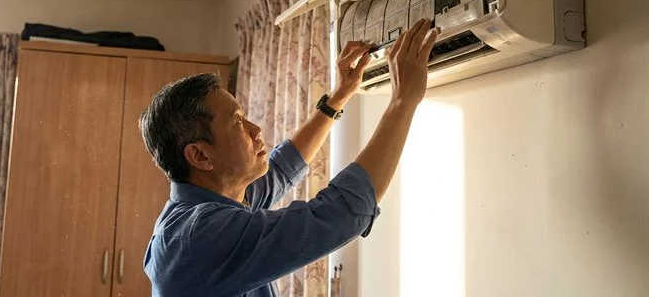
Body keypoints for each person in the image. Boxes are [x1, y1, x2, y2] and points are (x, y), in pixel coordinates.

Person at [139, 18, 440, 296]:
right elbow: (340, 215)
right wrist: (403, 101)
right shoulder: (200, 236)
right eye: (237, 122)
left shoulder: (211, 201)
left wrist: (339, 96)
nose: (256, 130)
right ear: (201, 156)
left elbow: (282, 168)